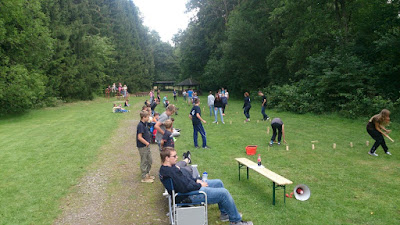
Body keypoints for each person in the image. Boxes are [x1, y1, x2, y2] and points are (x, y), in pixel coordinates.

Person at [159, 148, 253, 225]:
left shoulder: (169, 168)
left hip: (189, 189)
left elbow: (185, 179)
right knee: (224, 193)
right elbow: (184, 188)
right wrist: (199, 184)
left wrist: (196, 180)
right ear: (167, 158)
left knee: (218, 183)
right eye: (174, 156)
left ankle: (224, 214)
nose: (177, 157)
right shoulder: (171, 172)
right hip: (188, 196)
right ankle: (236, 221)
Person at [136, 110, 154, 183]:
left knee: (150, 160)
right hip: (142, 146)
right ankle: (144, 177)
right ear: (143, 117)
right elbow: (139, 137)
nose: (149, 118)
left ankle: (147, 174)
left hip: (146, 145)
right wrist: (146, 143)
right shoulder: (140, 125)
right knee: (144, 161)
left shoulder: (145, 123)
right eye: (147, 117)